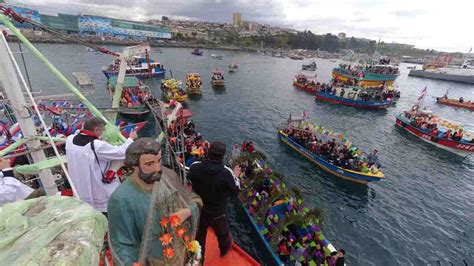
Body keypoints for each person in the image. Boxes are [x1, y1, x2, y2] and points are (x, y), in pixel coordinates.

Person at [107, 138, 202, 265]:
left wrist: (188, 211)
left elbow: (193, 199)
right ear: (134, 166)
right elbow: (122, 244)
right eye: (149, 164)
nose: (157, 168)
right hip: (152, 260)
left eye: (159, 161)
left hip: (179, 251)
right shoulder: (121, 199)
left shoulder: (168, 177)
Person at [65, 117, 137, 215]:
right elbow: (122, 152)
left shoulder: (70, 139)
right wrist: (130, 139)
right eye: (102, 130)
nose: (103, 133)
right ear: (96, 130)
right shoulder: (97, 146)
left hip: (80, 187)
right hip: (98, 189)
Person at [189, 142, 241, 260]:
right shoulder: (226, 173)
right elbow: (235, 191)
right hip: (218, 213)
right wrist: (235, 176)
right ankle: (223, 251)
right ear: (222, 156)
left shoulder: (195, 166)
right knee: (222, 234)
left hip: (200, 209)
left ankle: (199, 258)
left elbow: (190, 177)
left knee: (199, 236)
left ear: (208, 151)